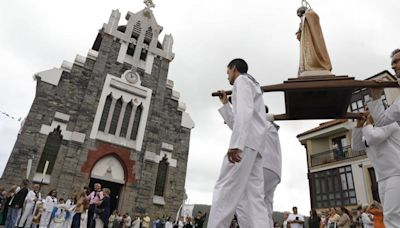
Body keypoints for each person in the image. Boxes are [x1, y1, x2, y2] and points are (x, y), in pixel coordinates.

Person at [208, 58, 269, 228]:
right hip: (254, 145)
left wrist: (236, 145)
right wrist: (226, 104)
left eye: (228, 72)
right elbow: (239, 120)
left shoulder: (241, 81)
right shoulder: (252, 84)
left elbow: (244, 113)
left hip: (245, 143)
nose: (227, 76)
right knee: (252, 197)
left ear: (234, 69)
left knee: (225, 188)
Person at [218, 100, 282, 228]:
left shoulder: (258, 123)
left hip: (261, 166)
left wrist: (226, 105)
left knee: (244, 200)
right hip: (275, 170)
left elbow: (237, 126)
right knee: (264, 206)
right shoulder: (270, 125)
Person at [352, 109, 400, 227]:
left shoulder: (389, 123)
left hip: (396, 173)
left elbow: (374, 137)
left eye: (369, 109)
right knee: (389, 214)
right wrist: (359, 125)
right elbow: (356, 146)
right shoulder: (368, 131)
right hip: (382, 177)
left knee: (391, 215)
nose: (366, 112)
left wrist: (368, 123)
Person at [296, 2, 332, 76]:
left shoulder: (311, 15)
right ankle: (308, 67)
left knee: (313, 52)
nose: (300, 17)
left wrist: (308, 12)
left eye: (300, 15)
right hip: (306, 42)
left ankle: (318, 65)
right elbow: (299, 34)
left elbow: (314, 16)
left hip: (313, 41)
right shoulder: (303, 21)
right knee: (307, 54)